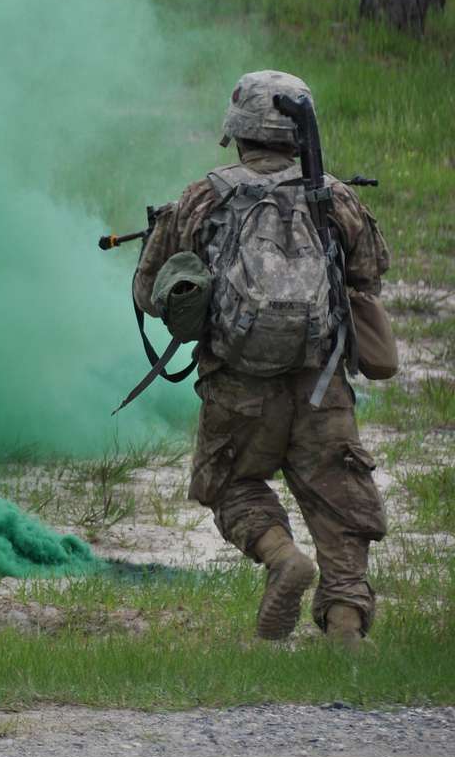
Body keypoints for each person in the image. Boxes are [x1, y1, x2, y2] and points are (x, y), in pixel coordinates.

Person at [133, 70, 391, 647]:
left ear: (238, 130)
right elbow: (369, 273)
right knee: (341, 502)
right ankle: (346, 624)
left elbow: (150, 294)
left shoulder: (203, 197)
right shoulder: (334, 194)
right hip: (321, 384)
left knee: (230, 484)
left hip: (237, 387)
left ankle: (281, 558)